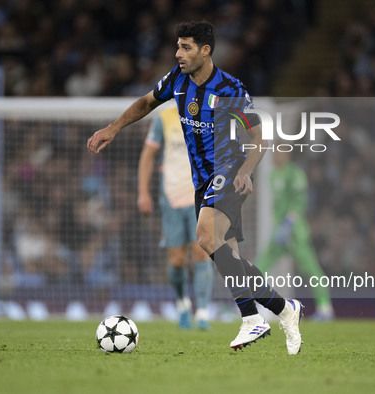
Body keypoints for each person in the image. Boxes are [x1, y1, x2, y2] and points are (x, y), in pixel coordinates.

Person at [87, 21, 303, 354]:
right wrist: (114, 128)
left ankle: (251, 318)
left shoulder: (230, 89)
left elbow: (260, 138)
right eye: (177, 46)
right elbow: (146, 102)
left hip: (230, 173)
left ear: (206, 50)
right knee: (229, 258)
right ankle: (285, 310)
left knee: (204, 238)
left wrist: (245, 171)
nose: (178, 53)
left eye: (186, 47)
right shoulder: (176, 79)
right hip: (201, 180)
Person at [137, 105, 214, 330]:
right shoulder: (165, 119)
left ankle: (202, 312)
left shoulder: (209, 115)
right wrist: (143, 192)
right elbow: (148, 155)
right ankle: (182, 304)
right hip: (171, 198)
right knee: (176, 259)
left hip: (200, 197)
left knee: (202, 252)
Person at [256, 149, 334, 321]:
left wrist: (289, 222)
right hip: (279, 232)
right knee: (261, 265)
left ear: (287, 155)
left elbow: (300, 200)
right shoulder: (272, 175)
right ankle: (253, 307)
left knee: (311, 269)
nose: (277, 157)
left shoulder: (295, 174)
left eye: (280, 154)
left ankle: (325, 308)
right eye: (274, 154)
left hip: (294, 231)